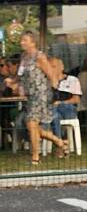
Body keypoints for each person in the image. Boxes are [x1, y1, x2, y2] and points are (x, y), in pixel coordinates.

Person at [6, 32, 68, 164]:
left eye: (25, 40)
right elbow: (20, 74)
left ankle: (35, 157)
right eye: (22, 40)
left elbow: (51, 75)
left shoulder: (39, 57)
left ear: (33, 42)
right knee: (32, 127)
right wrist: (13, 81)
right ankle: (60, 142)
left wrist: (54, 92)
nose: (22, 42)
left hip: (42, 95)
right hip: (31, 96)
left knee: (31, 123)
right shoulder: (24, 57)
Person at [49, 57, 82, 141]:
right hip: (53, 111)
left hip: (68, 110)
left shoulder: (72, 80)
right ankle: (61, 142)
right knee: (55, 115)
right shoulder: (46, 82)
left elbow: (76, 99)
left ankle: (59, 142)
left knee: (53, 111)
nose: (51, 69)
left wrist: (60, 103)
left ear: (61, 67)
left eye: (54, 66)